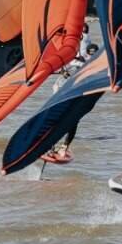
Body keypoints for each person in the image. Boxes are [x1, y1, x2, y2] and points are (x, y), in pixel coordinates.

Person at [43, 32, 100, 164]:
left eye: (95, 56)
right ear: (87, 53)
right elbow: (57, 65)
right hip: (59, 93)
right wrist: (61, 70)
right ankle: (49, 147)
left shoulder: (94, 68)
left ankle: (64, 147)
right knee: (55, 121)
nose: (92, 58)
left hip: (74, 96)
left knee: (73, 122)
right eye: (91, 55)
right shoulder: (74, 61)